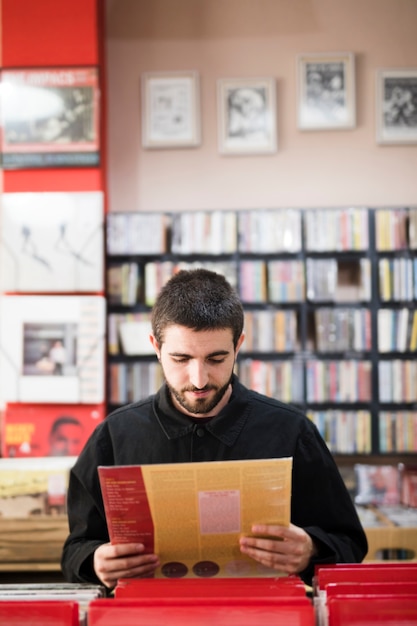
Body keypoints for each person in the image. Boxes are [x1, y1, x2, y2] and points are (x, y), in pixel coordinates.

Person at [61, 268, 367, 590]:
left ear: (238, 345)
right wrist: (95, 562)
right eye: (181, 359)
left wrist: (311, 551)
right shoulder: (113, 437)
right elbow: (74, 551)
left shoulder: (292, 432)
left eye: (216, 358)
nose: (199, 380)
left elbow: (350, 543)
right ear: (156, 347)